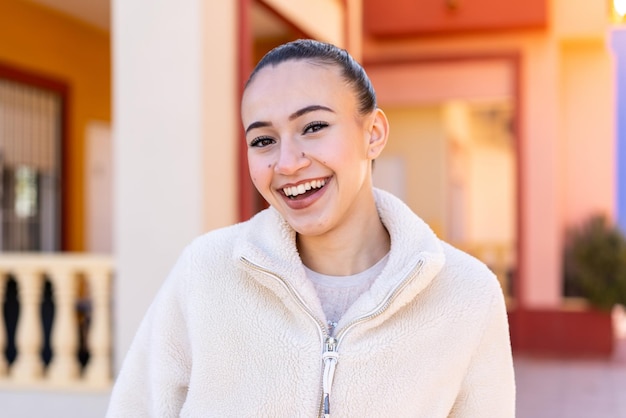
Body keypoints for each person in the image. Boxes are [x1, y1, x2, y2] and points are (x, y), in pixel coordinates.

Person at [106, 39, 515, 417]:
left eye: (313, 127)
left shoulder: (467, 295)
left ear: (372, 134)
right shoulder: (205, 272)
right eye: (263, 140)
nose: (287, 163)